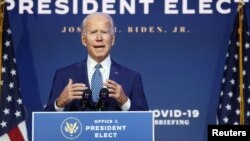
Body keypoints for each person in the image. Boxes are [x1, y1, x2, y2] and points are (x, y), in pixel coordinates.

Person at [44, 12, 148, 111]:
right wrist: (59, 103)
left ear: (112, 40)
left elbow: (145, 123)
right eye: (93, 32)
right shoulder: (64, 76)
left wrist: (125, 102)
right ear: (84, 40)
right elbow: (45, 122)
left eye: (104, 32)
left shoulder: (131, 78)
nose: (99, 38)